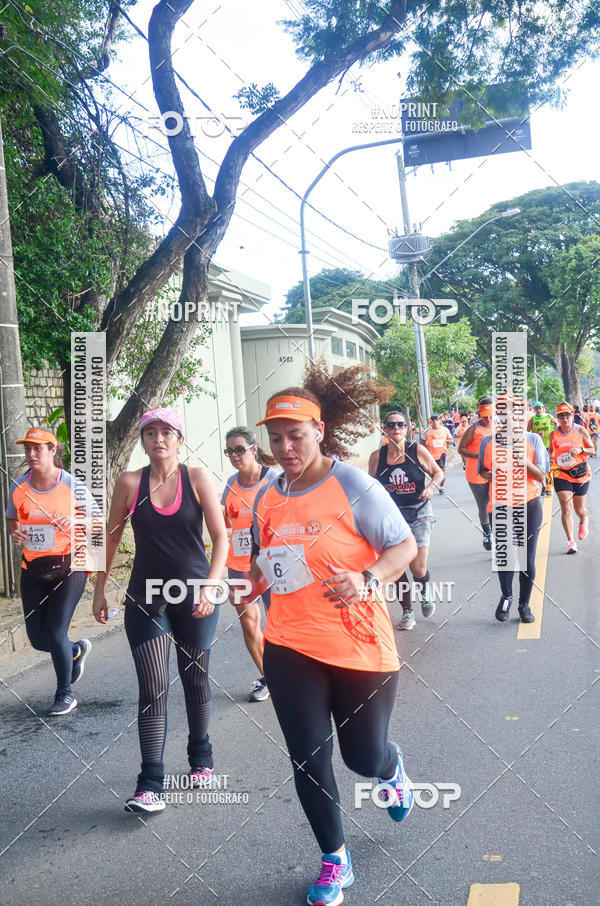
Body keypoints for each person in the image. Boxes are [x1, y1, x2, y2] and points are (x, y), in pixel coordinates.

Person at [237, 382, 417, 906]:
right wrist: (245, 587)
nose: (285, 447)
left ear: (318, 431)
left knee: (363, 758)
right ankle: (335, 859)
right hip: (290, 646)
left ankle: (390, 767)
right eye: (276, 438)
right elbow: (266, 564)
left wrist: (367, 578)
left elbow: (403, 545)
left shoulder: (354, 485)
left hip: (360, 647)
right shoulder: (266, 497)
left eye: (295, 435)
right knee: (308, 759)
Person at [92, 408, 228, 813]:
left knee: (195, 680)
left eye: (166, 432)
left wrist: (211, 586)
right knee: (152, 687)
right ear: (143, 441)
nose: (158, 439)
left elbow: (221, 538)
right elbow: (110, 539)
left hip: (195, 596)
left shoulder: (197, 478)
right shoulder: (129, 483)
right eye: (150, 433)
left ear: (179, 439)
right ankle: (150, 783)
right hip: (145, 599)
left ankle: (200, 755)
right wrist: (99, 589)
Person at [5, 428, 94, 715]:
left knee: (56, 632)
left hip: (71, 564)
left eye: (37, 448)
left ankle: (65, 693)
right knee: (38, 639)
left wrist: (74, 522)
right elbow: (11, 519)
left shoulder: (71, 485)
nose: (31, 454)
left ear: (52, 451)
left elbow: (97, 521)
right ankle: (75, 651)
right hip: (33, 568)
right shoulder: (19, 486)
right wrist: (15, 532)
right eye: (27, 448)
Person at [368, 411, 443, 631]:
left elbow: (438, 473)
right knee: (397, 566)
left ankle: (425, 592)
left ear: (407, 427)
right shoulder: (377, 457)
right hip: (392, 516)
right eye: (391, 425)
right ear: (384, 428)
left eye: (400, 425)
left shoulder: (417, 451)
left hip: (419, 512)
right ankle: (407, 611)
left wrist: (430, 488)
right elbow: (370, 486)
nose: (396, 429)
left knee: (418, 567)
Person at [478, 397, 549, 623]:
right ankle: (507, 596)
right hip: (499, 506)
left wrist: (524, 462)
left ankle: (524, 604)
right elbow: (482, 470)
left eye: (516, 411)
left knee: (526, 558)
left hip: (529, 504)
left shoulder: (533, 439)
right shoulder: (487, 442)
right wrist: (487, 475)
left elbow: (542, 475)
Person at [221, 427, 278, 702]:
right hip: (239, 563)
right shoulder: (231, 484)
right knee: (249, 622)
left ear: (254, 449)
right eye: (229, 451)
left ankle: (294, 675)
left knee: (280, 623)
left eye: (239, 450)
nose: (234, 455)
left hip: (272, 562)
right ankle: (269, 678)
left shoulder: (274, 480)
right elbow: (226, 523)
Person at [549, 402, 594, 554]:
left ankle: (583, 519)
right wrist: (550, 458)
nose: (565, 418)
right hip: (562, 473)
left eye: (567, 415)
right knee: (566, 507)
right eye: (561, 416)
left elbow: (592, 450)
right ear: (557, 418)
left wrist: (580, 449)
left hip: (580, 474)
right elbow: (551, 452)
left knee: (579, 509)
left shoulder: (580, 430)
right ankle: (571, 542)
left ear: (572, 416)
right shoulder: (553, 434)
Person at [458, 397, 495, 550]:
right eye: (484, 415)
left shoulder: (500, 426)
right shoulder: (473, 428)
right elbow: (461, 449)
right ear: (479, 413)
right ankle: (487, 533)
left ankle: (500, 535)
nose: (488, 418)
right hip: (476, 473)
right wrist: (479, 455)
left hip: (496, 471)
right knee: (485, 505)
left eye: (490, 414)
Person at [527, 402, 557, 496]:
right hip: (538, 446)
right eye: (536, 408)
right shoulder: (532, 419)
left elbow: (556, 425)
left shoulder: (549, 417)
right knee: (539, 467)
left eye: (540, 408)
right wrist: (536, 435)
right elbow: (527, 432)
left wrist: (553, 434)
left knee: (548, 467)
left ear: (543, 408)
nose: (538, 410)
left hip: (548, 445)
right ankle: (543, 486)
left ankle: (548, 487)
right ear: (534, 410)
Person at [423, 414, 453, 493]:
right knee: (433, 473)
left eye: (436, 420)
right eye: (433, 420)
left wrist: (449, 442)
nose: (435, 421)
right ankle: (434, 484)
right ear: (431, 421)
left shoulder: (445, 430)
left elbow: (450, 440)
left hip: (442, 454)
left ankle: (441, 487)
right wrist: (425, 450)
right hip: (431, 455)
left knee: (442, 472)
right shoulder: (427, 431)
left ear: (439, 421)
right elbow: (422, 442)